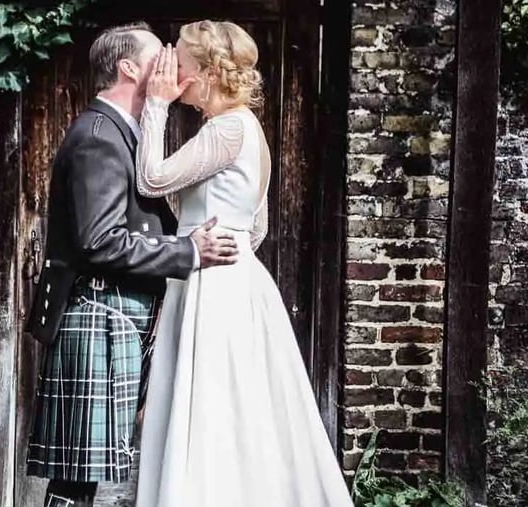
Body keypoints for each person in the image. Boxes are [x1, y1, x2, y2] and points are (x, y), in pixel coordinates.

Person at [134, 20, 354, 507]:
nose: (173, 70)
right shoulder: (246, 129)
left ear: (208, 72)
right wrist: (207, 229)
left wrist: (155, 104)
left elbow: (151, 179)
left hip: (212, 282)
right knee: (236, 402)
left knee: (215, 404)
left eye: (182, 63)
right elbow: (255, 229)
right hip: (236, 276)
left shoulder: (227, 128)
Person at [24, 22, 238, 507]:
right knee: (77, 473)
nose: (169, 62)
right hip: (98, 311)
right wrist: (188, 253)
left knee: (86, 470)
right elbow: (99, 241)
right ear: (128, 68)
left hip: (114, 312)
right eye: (157, 57)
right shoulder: (100, 134)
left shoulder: (125, 134)